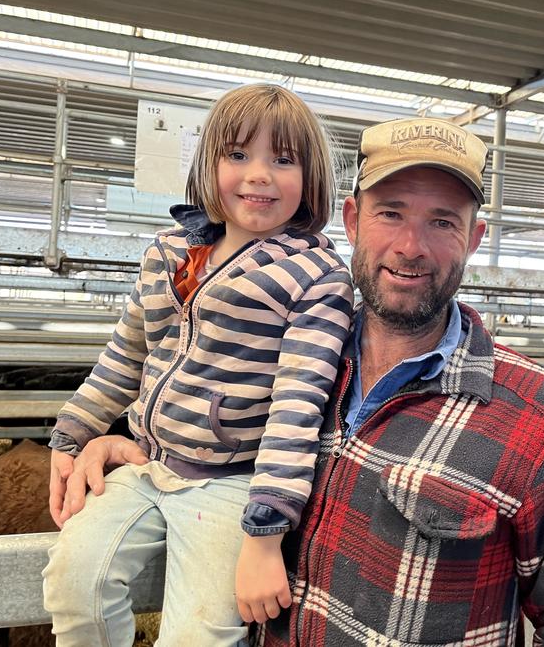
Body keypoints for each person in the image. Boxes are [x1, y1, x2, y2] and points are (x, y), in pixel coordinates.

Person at [42, 83, 353, 647]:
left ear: (311, 180)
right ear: (208, 166)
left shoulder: (316, 278)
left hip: (232, 485)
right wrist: (70, 438)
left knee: (198, 636)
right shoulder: (169, 254)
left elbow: (297, 406)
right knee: (74, 581)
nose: (258, 174)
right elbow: (125, 356)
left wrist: (264, 534)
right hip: (145, 464)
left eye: (282, 160)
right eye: (237, 155)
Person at [260, 118, 544, 646]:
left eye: (442, 222)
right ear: (353, 220)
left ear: (474, 238)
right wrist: (111, 444)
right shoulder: (284, 359)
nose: (411, 246)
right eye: (390, 213)